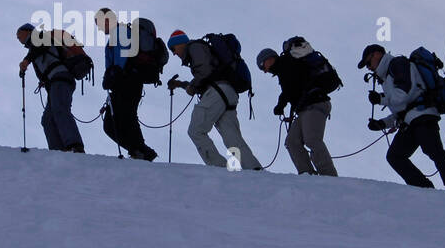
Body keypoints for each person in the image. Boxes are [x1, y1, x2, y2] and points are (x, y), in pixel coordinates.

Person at [359, 43, 445, 190]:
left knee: (432, 150)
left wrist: (381, 99)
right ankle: (424, 188)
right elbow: (401, 110)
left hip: (423, 115)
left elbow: (404, 94)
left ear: (377, 54)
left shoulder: (397, 64)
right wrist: (382, 123)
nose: (368, 67)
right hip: (413, 120)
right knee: (395, 156)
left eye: (368, 62)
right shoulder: (387, 76)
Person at [167, 30, 262, 170]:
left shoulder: (194, 47)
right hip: (227, 92)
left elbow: (205, 71)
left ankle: (219, 169)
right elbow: (206, 76)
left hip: (217, 92)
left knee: (196, 130)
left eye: (173, 49)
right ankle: (254, 169)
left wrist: (192, 87)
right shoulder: (201, 49)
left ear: (180, 43)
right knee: (232, 138)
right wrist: (182, 85)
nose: (174, 53)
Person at [256, 47, 337, 176]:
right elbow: (293, 88)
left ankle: (329, 176)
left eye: (262, 66)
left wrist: (281, 104)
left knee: (312, 139)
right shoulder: (285, 66)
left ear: (269, 58)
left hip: (315, 103)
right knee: (292, 142)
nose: (264, 71)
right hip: (306, 108)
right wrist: (284, 105)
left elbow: (290, 88)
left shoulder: (286, 63)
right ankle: (307, 174)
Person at [96, 9, 158, 161]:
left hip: (127, 81)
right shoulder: (119, 33)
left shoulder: (120, 32)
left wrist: (115, 75)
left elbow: (121, 58)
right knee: (121, 119)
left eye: (98, 23)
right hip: (129, 81)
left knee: (123, 118)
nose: (98, 27)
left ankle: (140, 151)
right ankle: (139, 150)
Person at [17, 23, 85, 153]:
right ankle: (58, 151)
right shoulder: (35, 46)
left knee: (59, 109)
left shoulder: (40, 37)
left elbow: (38, 49)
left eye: (19, 33)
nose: (17, 37)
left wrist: (26, 61)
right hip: (55, 82)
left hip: (60, 78)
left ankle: (74, 145)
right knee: (47, 119)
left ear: (28, 31)